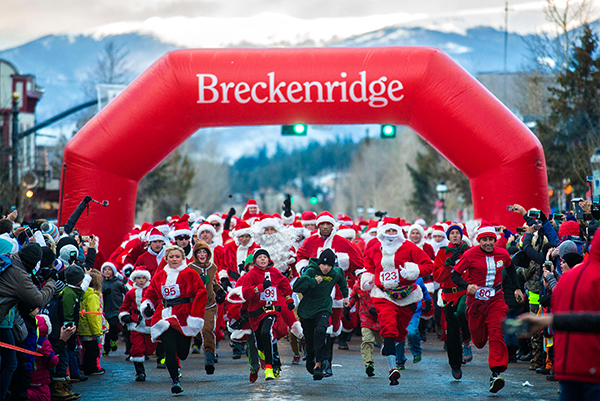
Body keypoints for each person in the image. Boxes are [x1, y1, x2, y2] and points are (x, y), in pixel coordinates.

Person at [451, 221, 524, 393]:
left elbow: (511, 269)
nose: (488, 243)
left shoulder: (502, 253)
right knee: (479, 339)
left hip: (496, 300)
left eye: (491, 239)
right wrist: (466, 285)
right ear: (479, 240)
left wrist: (517, 288)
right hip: (476, 302)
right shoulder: (470, 255)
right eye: (484, 240)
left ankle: (496, 373)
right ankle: (475, 341)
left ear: (494, 239)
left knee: (497, 333)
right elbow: (455, 275)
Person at [361, 217, 434, 385]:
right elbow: (369, 267)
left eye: (394, 231)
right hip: (383, 294)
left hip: (407, 296)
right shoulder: (374, 249)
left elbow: (429, 266)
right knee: (388, 325)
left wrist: (413, 271)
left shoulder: (409, 247)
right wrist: (368, 280)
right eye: (388, 231)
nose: (391, 234)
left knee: (400, 332)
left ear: (399, 232)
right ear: (382, 232)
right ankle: (392, 368)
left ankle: (390, 345)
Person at [141, 245, 207, 394]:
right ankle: (175, 380)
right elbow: (150, 294)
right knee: (169, 349)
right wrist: (147, 306)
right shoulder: (160, 275)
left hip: (184, 316)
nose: (174, 259)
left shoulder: (190, 274)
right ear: (166, 259)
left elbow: (201, 293)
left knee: (182, 353)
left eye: (177, 256)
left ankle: (180, 357)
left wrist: (195, 316)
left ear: (183, 258)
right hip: (164, 316)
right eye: (171, 257)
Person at [234, 249, 293, 380]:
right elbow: (246, 294)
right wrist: (260, 287)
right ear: (255, 261)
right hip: (255, 312)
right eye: (260, 257)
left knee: (266, 332)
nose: (262, 259)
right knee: (260, 341)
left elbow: (284, 284)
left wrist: (289, 299)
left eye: (265, 257)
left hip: (271, 309)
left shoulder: (274, 272)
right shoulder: (251, 275)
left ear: (269, 259)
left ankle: (269, 368)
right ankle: (263, 354)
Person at [293, 249, 349, 380]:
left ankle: (319, 364)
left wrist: (345, 296)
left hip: (323, 307)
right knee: (310, 337)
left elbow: (342, 280)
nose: (326, 268)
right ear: (319, 263)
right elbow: (297, 286)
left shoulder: (336, 272)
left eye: (329, 265)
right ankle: (310, 360)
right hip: (307, 309)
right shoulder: (311, 271)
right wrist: (312, 282)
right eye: (323, 265)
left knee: (320, 330)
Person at [433, 222, 472, 379]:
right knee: (452, 332)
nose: (455, 235)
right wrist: (448, 264)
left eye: (457, 233)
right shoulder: (442, 252)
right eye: (452, 233)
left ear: (461, 235)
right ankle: (455, 365)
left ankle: (467, 341)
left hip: (464, 291)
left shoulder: (469, 252)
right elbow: (437, 277)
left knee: (462, 313)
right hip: (448, 295)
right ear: (448, 236)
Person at [187, 240, 226, 374]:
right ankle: (199, 339)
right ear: (195, 254)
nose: (202, 254)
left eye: (204, 252)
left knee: (207, 329)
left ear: (208, 254)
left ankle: (209, 357)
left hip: (210, 304)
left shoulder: (212, 267)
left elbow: (213, 281)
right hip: (195, 305)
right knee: (197, 331)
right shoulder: (190, 268)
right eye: (199, 252)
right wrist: (197, 283)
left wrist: (219, 290)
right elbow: (186, 287)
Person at [119, 267, 156, 382]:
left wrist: (153, 312)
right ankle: (140, 373)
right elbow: (124, 307)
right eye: (138, 278)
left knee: (149, 349)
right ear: (134, 279)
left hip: (150, 324)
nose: (141, 280)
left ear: (147, 279)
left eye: (143, 278)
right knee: (137, 348)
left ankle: (160, 358)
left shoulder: (153, 291)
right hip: (136, 324)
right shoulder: (131, 293)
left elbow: (159, 304)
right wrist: (124, 316)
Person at [346, 269, 381, 377]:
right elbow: (353, 297)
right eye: (360, 276)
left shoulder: (378, 283)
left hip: (381, 317)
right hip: (365, 317)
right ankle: (368, 364)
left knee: (381, 340)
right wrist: (347, 308)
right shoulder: (358, 286)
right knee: (367, 340)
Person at [78, 269, 105, 376]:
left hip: (84, 328)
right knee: (92, 350)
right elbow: (93, 315)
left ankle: (86, 366)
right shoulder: (93, 295)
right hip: (90, 329)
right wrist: (97, 330)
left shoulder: (84, 293)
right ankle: (91, 368)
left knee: (87, 350)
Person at [101, 261, 127, 356]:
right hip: (105, 310)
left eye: (109, 269)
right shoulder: (101, 283)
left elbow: (126, 292)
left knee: (113, 326)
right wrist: (103, 294)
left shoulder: (118, 283)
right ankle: (106, 348)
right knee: (106, 329)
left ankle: (114, 340)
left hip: (116, 309)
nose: (107, 271)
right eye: (105, 269)